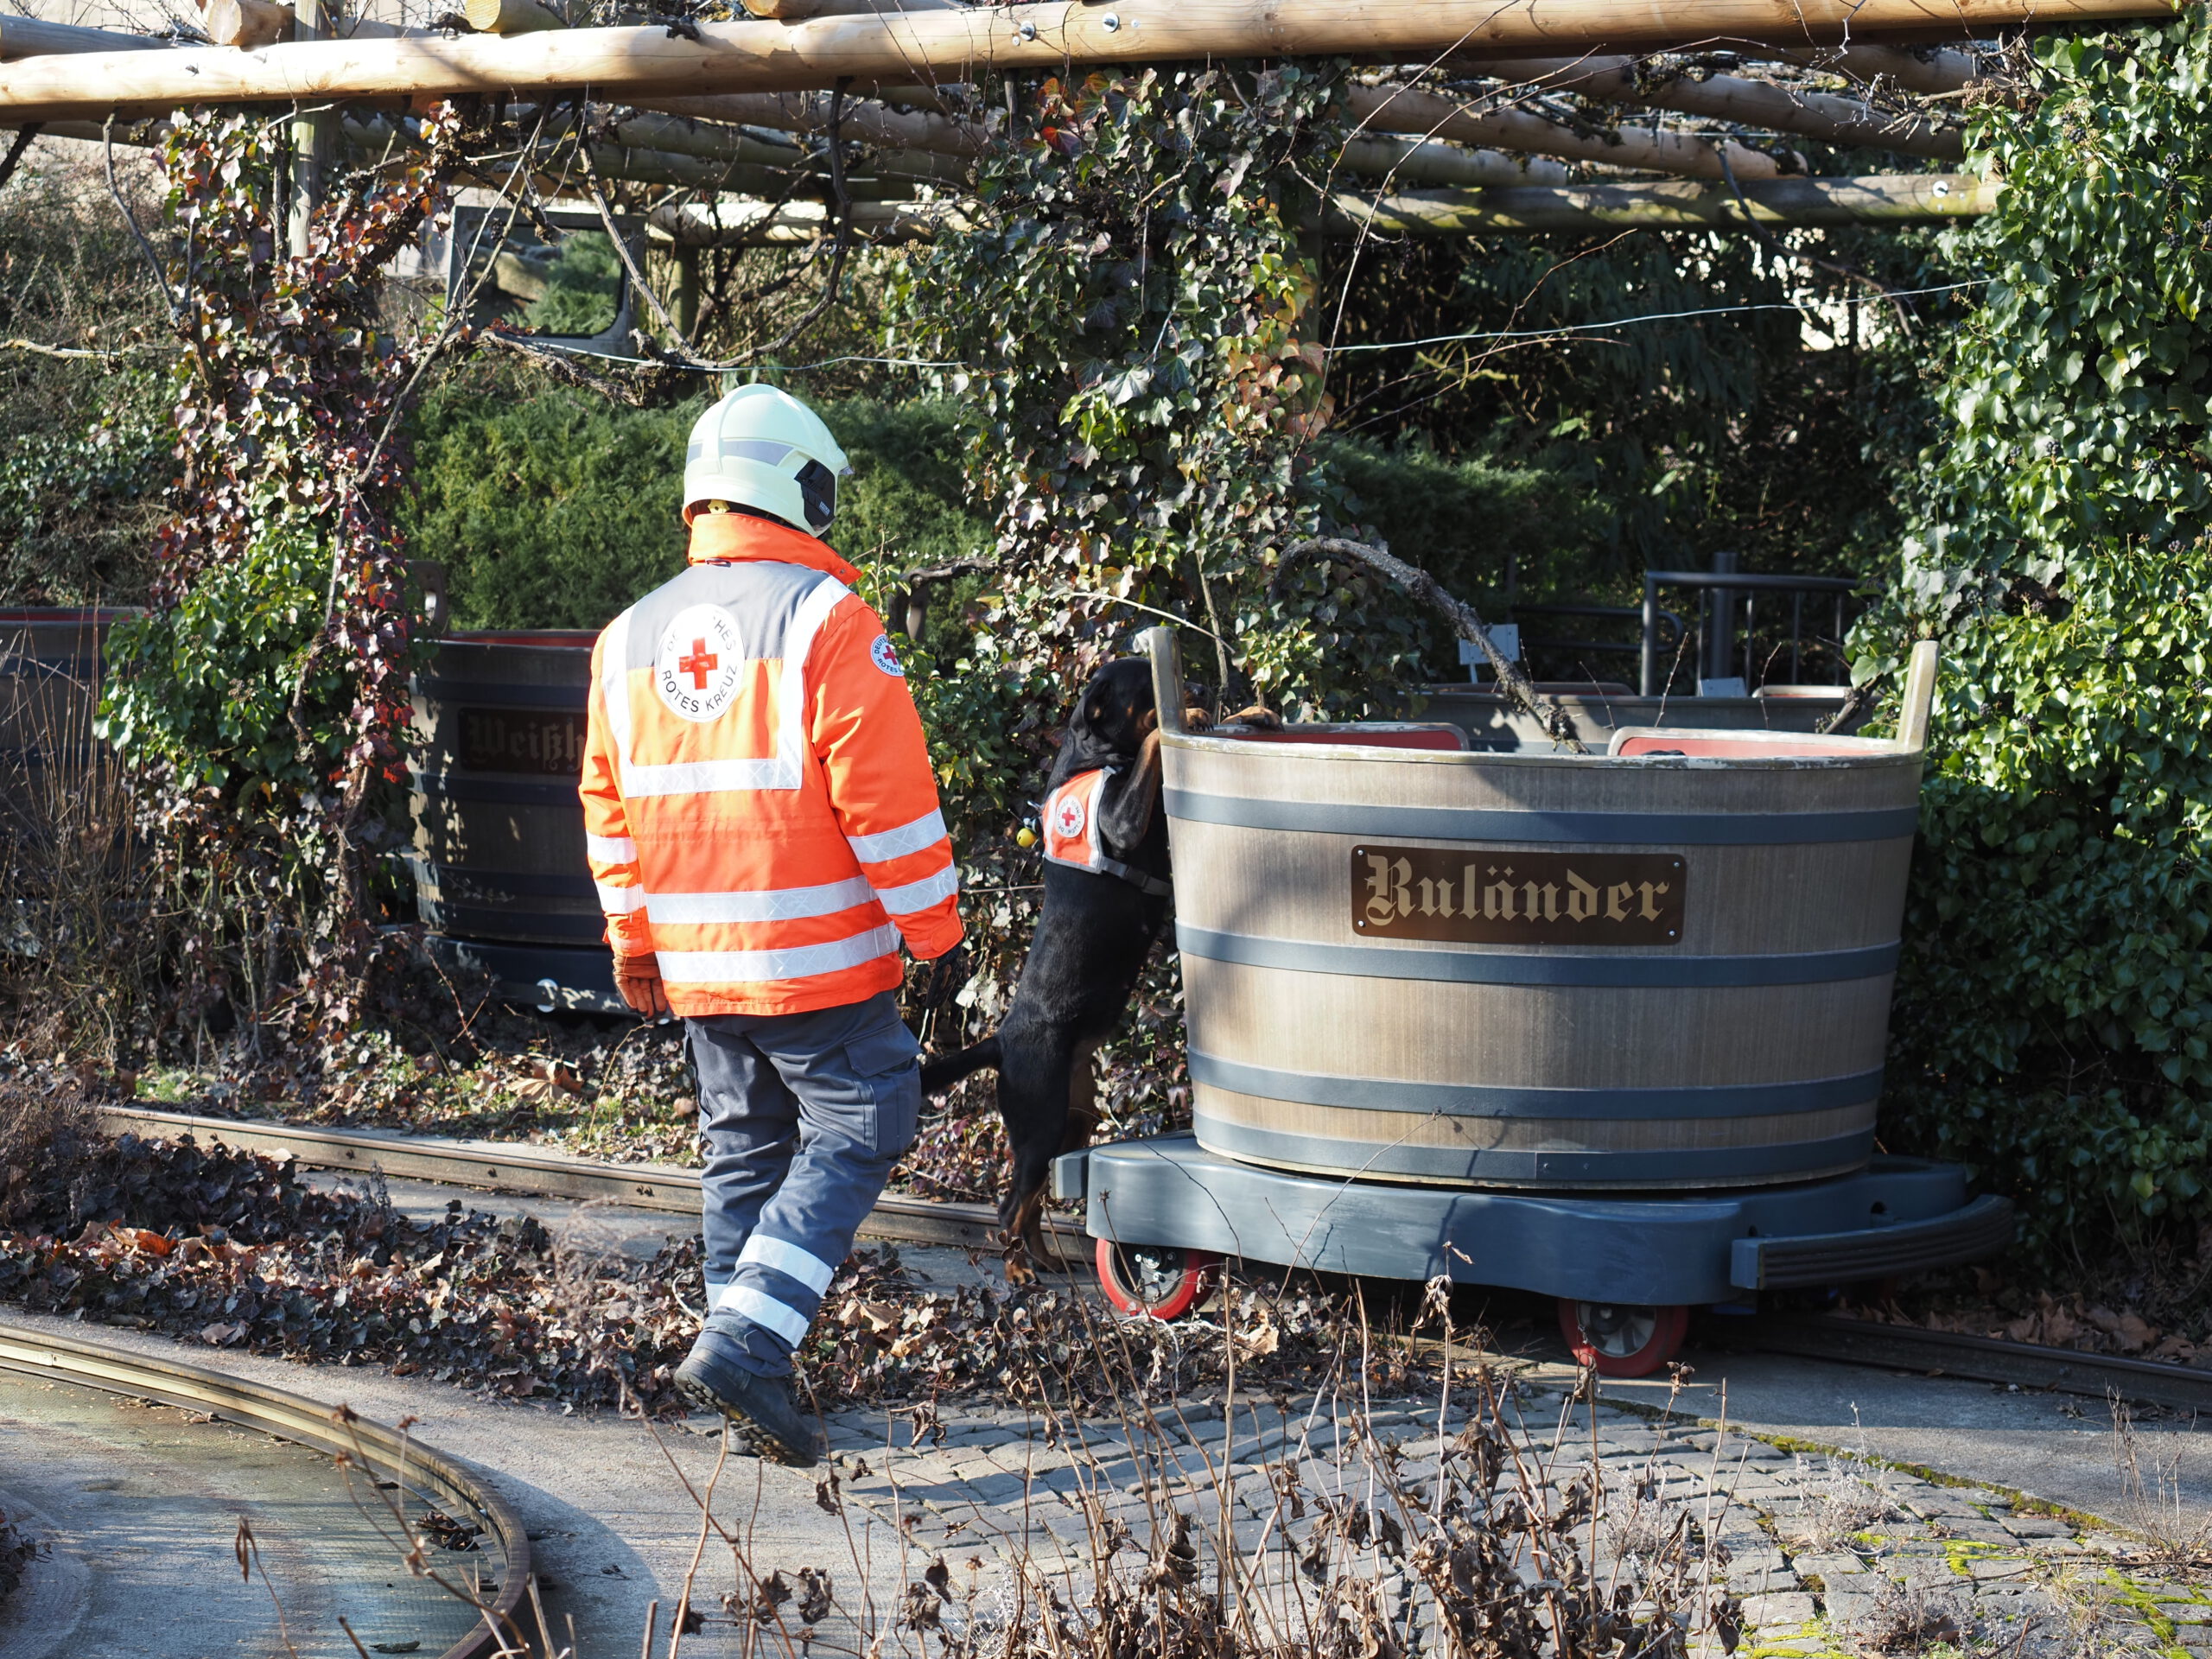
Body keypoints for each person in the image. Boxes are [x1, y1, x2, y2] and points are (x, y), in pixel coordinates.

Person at [578, 385, 964, 1466]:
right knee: (868, 1117)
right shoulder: (827, 621)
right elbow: (885, 801)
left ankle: (745, 1380)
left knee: (744, 1148)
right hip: (816, 963)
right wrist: (935, 929)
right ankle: (748, 1345)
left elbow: (608, 810)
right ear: (799, 486)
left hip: (699, 969)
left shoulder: (626, 638)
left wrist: (635, 944)